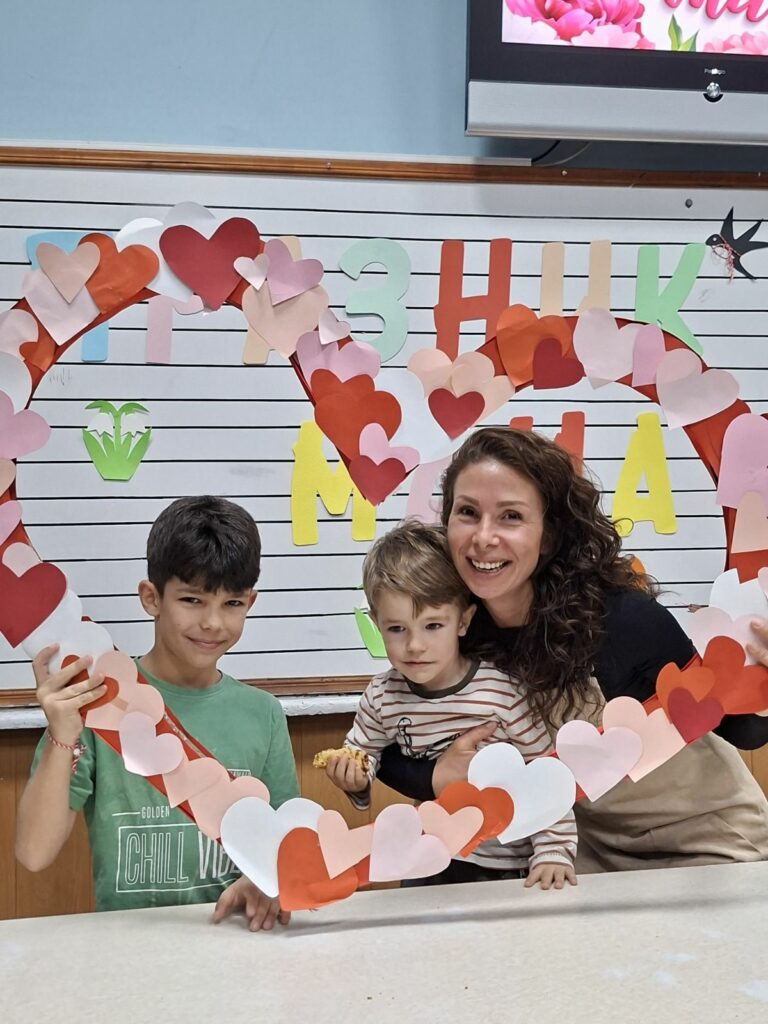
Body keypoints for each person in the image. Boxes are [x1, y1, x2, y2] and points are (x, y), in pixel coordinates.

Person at [375, 427, 768, 871]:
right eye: (467, 512)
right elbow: (385, 747)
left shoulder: (624, 620)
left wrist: (761, 682)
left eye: (510, 516)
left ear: (548, 534)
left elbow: (742, 731)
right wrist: (435, 776)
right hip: (584, 852)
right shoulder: (452, 629)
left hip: (711, 844)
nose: (483, 537)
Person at [15, 496, 299, 929]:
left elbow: (285, 849)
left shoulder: (262, 713)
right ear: (151, 598)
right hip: (126, 950)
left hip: (236, 943)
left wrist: (266, 880)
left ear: (251, 602)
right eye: (192, 600)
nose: (213, 623)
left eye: (232, 604)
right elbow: (34, 853)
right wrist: (63, 733)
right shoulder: (98, 702)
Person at [324, 519, 577, 889]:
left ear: (463, 621)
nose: (415, 646)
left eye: (433, 626)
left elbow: (545, 772)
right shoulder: (381, 696)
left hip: (504, 866)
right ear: (376, 623)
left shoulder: (503, 693)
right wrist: (355, 779)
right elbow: (362, 754)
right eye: (397, 629)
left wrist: (553, 851)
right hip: (426, 860)